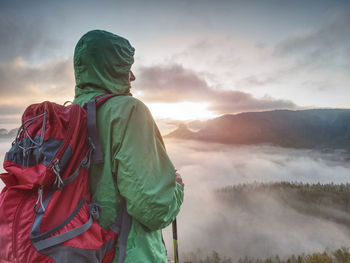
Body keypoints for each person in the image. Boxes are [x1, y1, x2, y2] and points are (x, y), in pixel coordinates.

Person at [72, 30, 184, 263]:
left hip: (79, 251)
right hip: (124, 254)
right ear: (107, 69)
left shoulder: (71, 113)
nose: (131, 76)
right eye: (124, 67)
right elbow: (154, 210)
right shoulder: (129, 111)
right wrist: (177, 191)